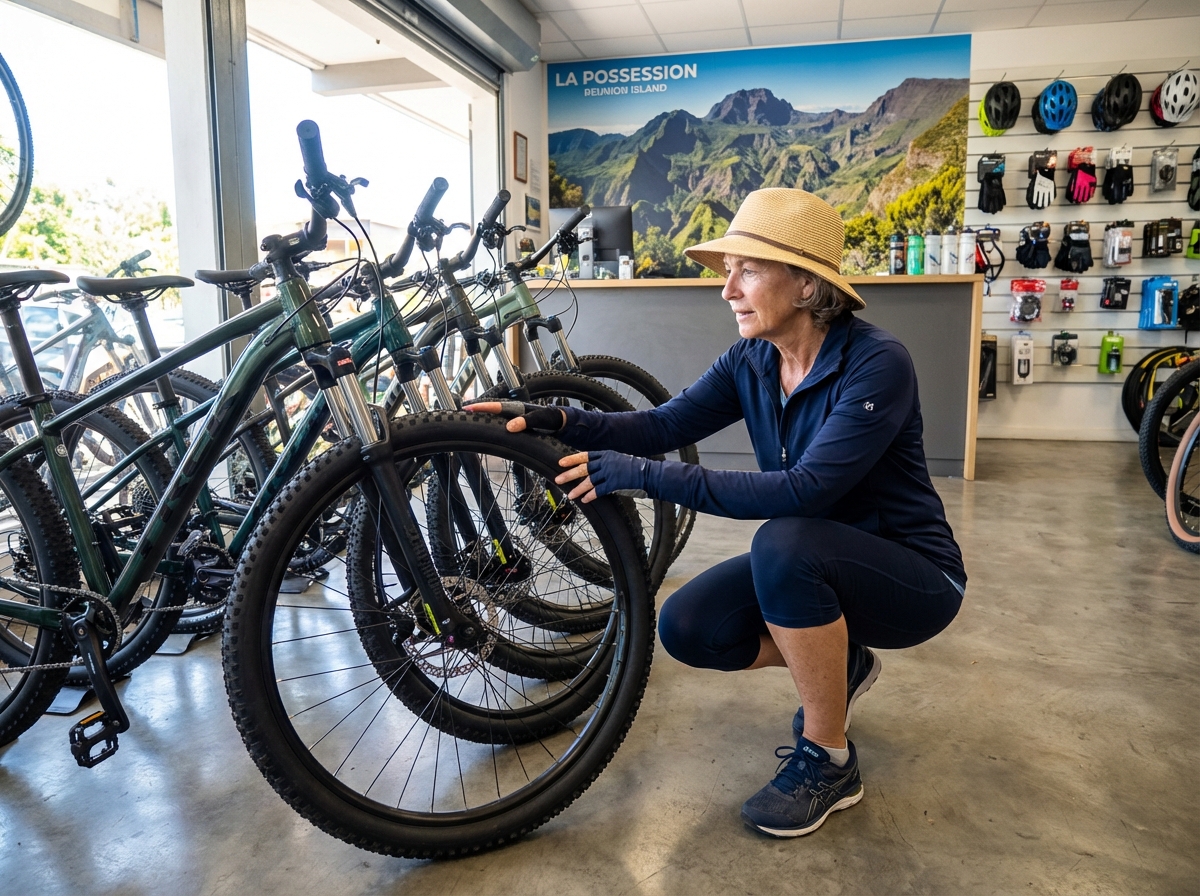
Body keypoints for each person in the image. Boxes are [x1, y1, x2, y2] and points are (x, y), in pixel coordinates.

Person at [467, 188, 965, 838]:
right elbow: (660, 425)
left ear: (809, 285)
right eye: (727, 270)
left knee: (784, 543)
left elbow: (805, 491)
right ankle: (839, 664)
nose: (726, 288)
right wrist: (554, 416)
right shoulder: (753, 360)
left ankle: (830, 756)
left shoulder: (876, 364)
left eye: (747, 269)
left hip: (916, 579)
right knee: (689, 626)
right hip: (819, 564)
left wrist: (645, 480)